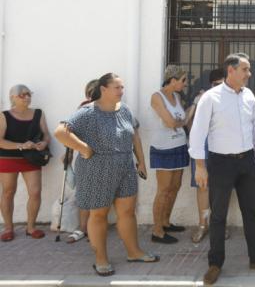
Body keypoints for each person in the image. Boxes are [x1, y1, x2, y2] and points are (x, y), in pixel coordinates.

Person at [190, 53, 255, 286]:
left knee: (251, 212)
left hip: (247, 162)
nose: (249, 74)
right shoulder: (211, 98)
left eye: (248, 69)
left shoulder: (249, 95)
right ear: (230, 71)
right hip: (220, 163)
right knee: (219, 215)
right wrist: (200, 166)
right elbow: (198, 132)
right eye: (245, 69)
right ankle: (215, 264)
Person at [54, 73, 158, 277]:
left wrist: (142, 162)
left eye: (122, 87)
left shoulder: (125, 109)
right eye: (117, 87)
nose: (121, 91)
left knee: (128, 212)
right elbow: (60, 132)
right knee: (99, 215)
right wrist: (84, 149)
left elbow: (134, 135)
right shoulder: (87, 112)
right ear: (103, 89)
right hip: (96, 169)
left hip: (125, 168)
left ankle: (134, 252)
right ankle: (101, 259)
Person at [149, 65, 195, 244]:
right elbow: (170, 123)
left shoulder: (176, 97)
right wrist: (184, 119)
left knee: (175, 187)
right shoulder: (157, 96)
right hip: (163, 148)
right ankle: (157, 230)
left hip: (179, 145)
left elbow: (181, 121)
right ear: (172, 80)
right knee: (164, 190)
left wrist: (191, 109)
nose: (184, 84)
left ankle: (166, 222)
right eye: (182, 80)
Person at [0, 84, 51, 242]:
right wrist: (20, 145)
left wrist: (43, 143)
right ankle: (8, 228)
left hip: (32, 157)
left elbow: (46, 134)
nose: (27, 97)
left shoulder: (38, 113)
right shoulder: (4, 115)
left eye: (29, 94)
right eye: (22, 95)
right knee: (8, 192)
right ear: (13, 97)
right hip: (8, 158)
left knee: (35, 192)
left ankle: (31, 227)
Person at [189, 68, 227, 243]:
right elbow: (190, 125)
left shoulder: (231, 99)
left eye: (221, 84)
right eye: (215, 84)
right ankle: (202, 225)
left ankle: (219, 225)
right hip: (203, 147)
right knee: (202, 187)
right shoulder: (202, 99)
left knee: (222, 188)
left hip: (223, 146)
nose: (217, 88)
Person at [66, 79, 99, 244]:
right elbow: (71, 131)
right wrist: (69, 152)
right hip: (85, 157)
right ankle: (82, 228)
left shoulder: (113, 107)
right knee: (84, 194)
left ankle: (96, 229)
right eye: (90, 92)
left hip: (105, 158)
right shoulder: (83, 108)